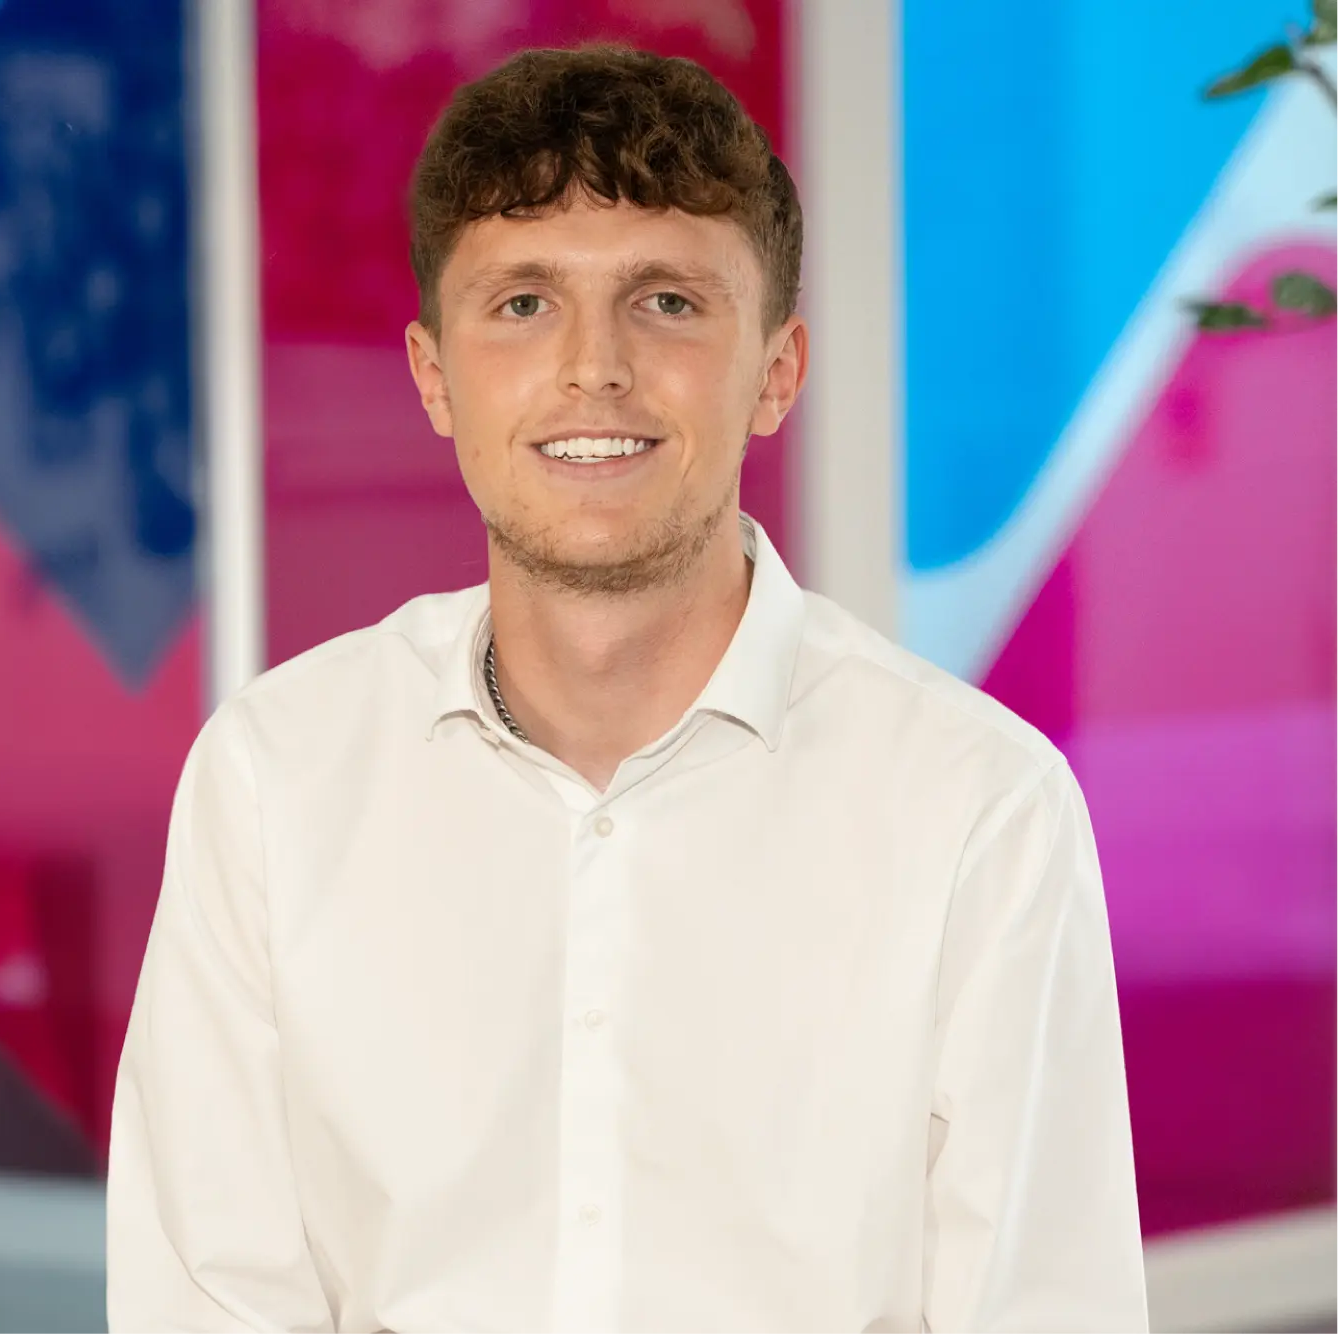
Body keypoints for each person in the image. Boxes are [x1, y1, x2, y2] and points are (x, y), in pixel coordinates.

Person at [106, 43, 1148, 1334]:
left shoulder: (977, 803)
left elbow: (1046, 1308)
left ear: (777, 369)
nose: (594, 368)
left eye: (666, 301)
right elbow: (206, 1295)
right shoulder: (278, 771)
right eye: (525, 303)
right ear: (436, 376)